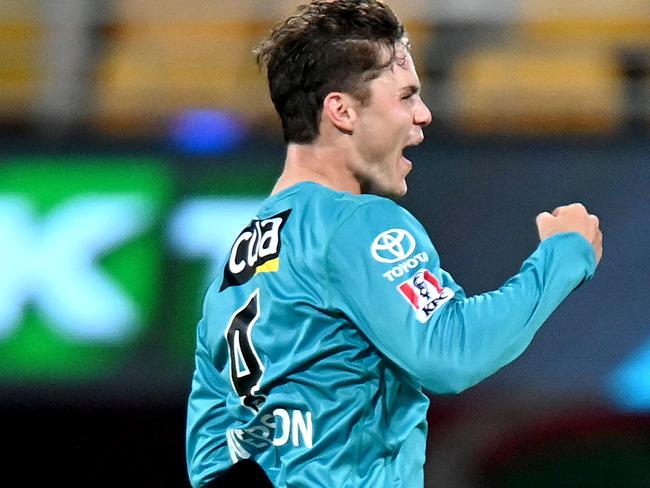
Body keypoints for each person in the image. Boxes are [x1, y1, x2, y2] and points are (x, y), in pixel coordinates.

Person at [185, 1, 603, 487]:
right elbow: (450, 353)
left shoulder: (231, 273)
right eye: (406, 96)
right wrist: (562, 256)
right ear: (341, 111)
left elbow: (211, 457)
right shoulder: (358, 224)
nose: (424, 115)